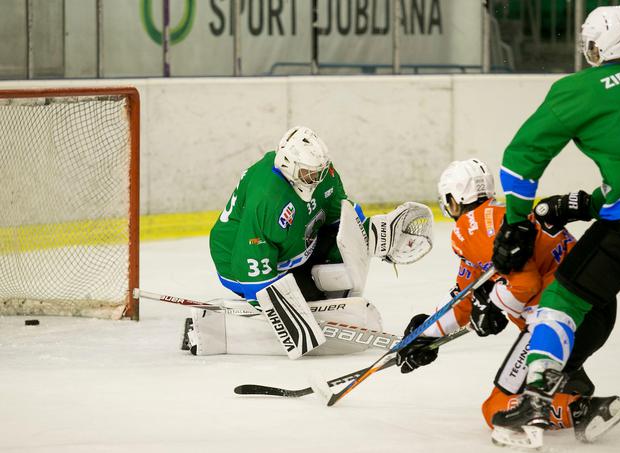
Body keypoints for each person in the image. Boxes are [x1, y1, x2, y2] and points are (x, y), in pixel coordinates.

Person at [489, 5, 620, 448]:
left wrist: (516, 223)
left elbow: (520, 161)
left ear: (596, 45)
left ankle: (535, 400)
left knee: (564, 295)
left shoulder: (578, 89)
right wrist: (585, 203)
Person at [395, 158, 620, 441]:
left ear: (454, 199)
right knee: (532, 376)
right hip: (596, 312)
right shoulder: (504, 215)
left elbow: (524, 283)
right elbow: (467, 298)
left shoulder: (470, 227)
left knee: (495, 411)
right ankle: (570, 386)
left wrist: (492, 306)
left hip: (559, 317)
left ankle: (582, 410)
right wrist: (427, 332)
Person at [184, 126, 434, 356]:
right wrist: (283, 312)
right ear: (288, 166)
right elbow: (249, 260)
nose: (315, 178)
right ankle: (219, 329)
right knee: (304, 304)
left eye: (318, 172)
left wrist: (374, 236)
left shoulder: (323, 173)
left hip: (298, 245)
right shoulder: (267, 197)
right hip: (239, 260)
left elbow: (341, 220)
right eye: (307, 173)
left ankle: (308, 296)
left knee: (340, 271)